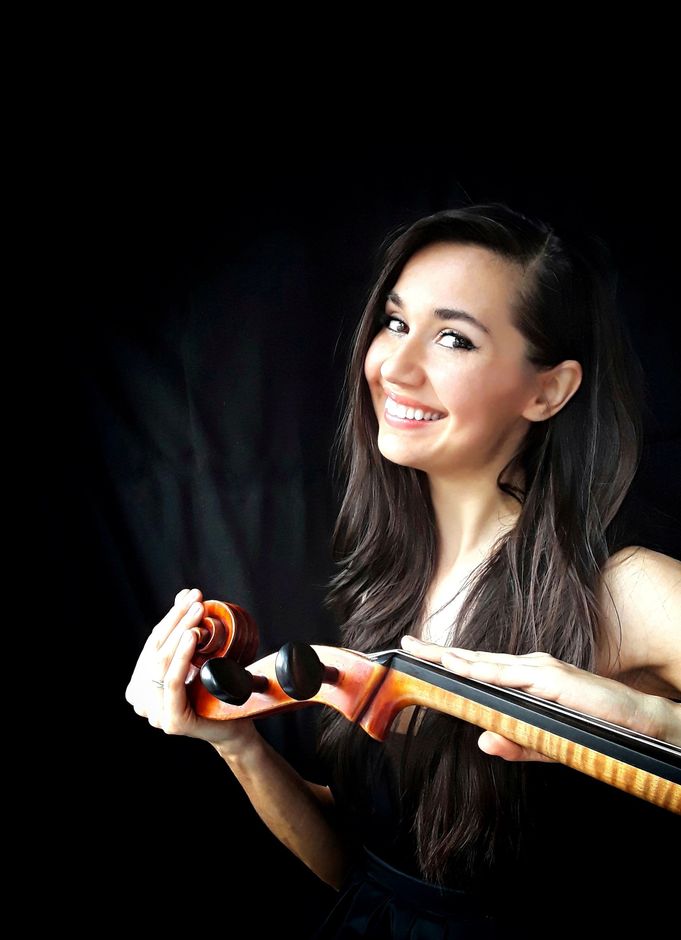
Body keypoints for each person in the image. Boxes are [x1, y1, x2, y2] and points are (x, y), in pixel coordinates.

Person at [126, 203, 680, 937]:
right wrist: (234, 740)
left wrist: (653, 722)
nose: (395, 365)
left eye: (453, 337)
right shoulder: (389, 578)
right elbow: (376, 886)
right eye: (393, 322)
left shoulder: (626, 589)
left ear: (547, 389)